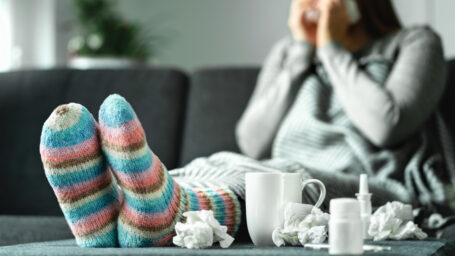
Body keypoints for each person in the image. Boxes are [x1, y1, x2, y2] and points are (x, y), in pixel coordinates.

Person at [39, 0, 454, 249]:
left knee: (285, 176)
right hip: (274, 172)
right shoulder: (289, 55)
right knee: (218, 159)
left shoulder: (416, 42)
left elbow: (388, 126)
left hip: (365, 186)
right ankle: (116, 220)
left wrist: (330, 47)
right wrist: (298, 56)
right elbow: (250, 140)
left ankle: (170, 213)